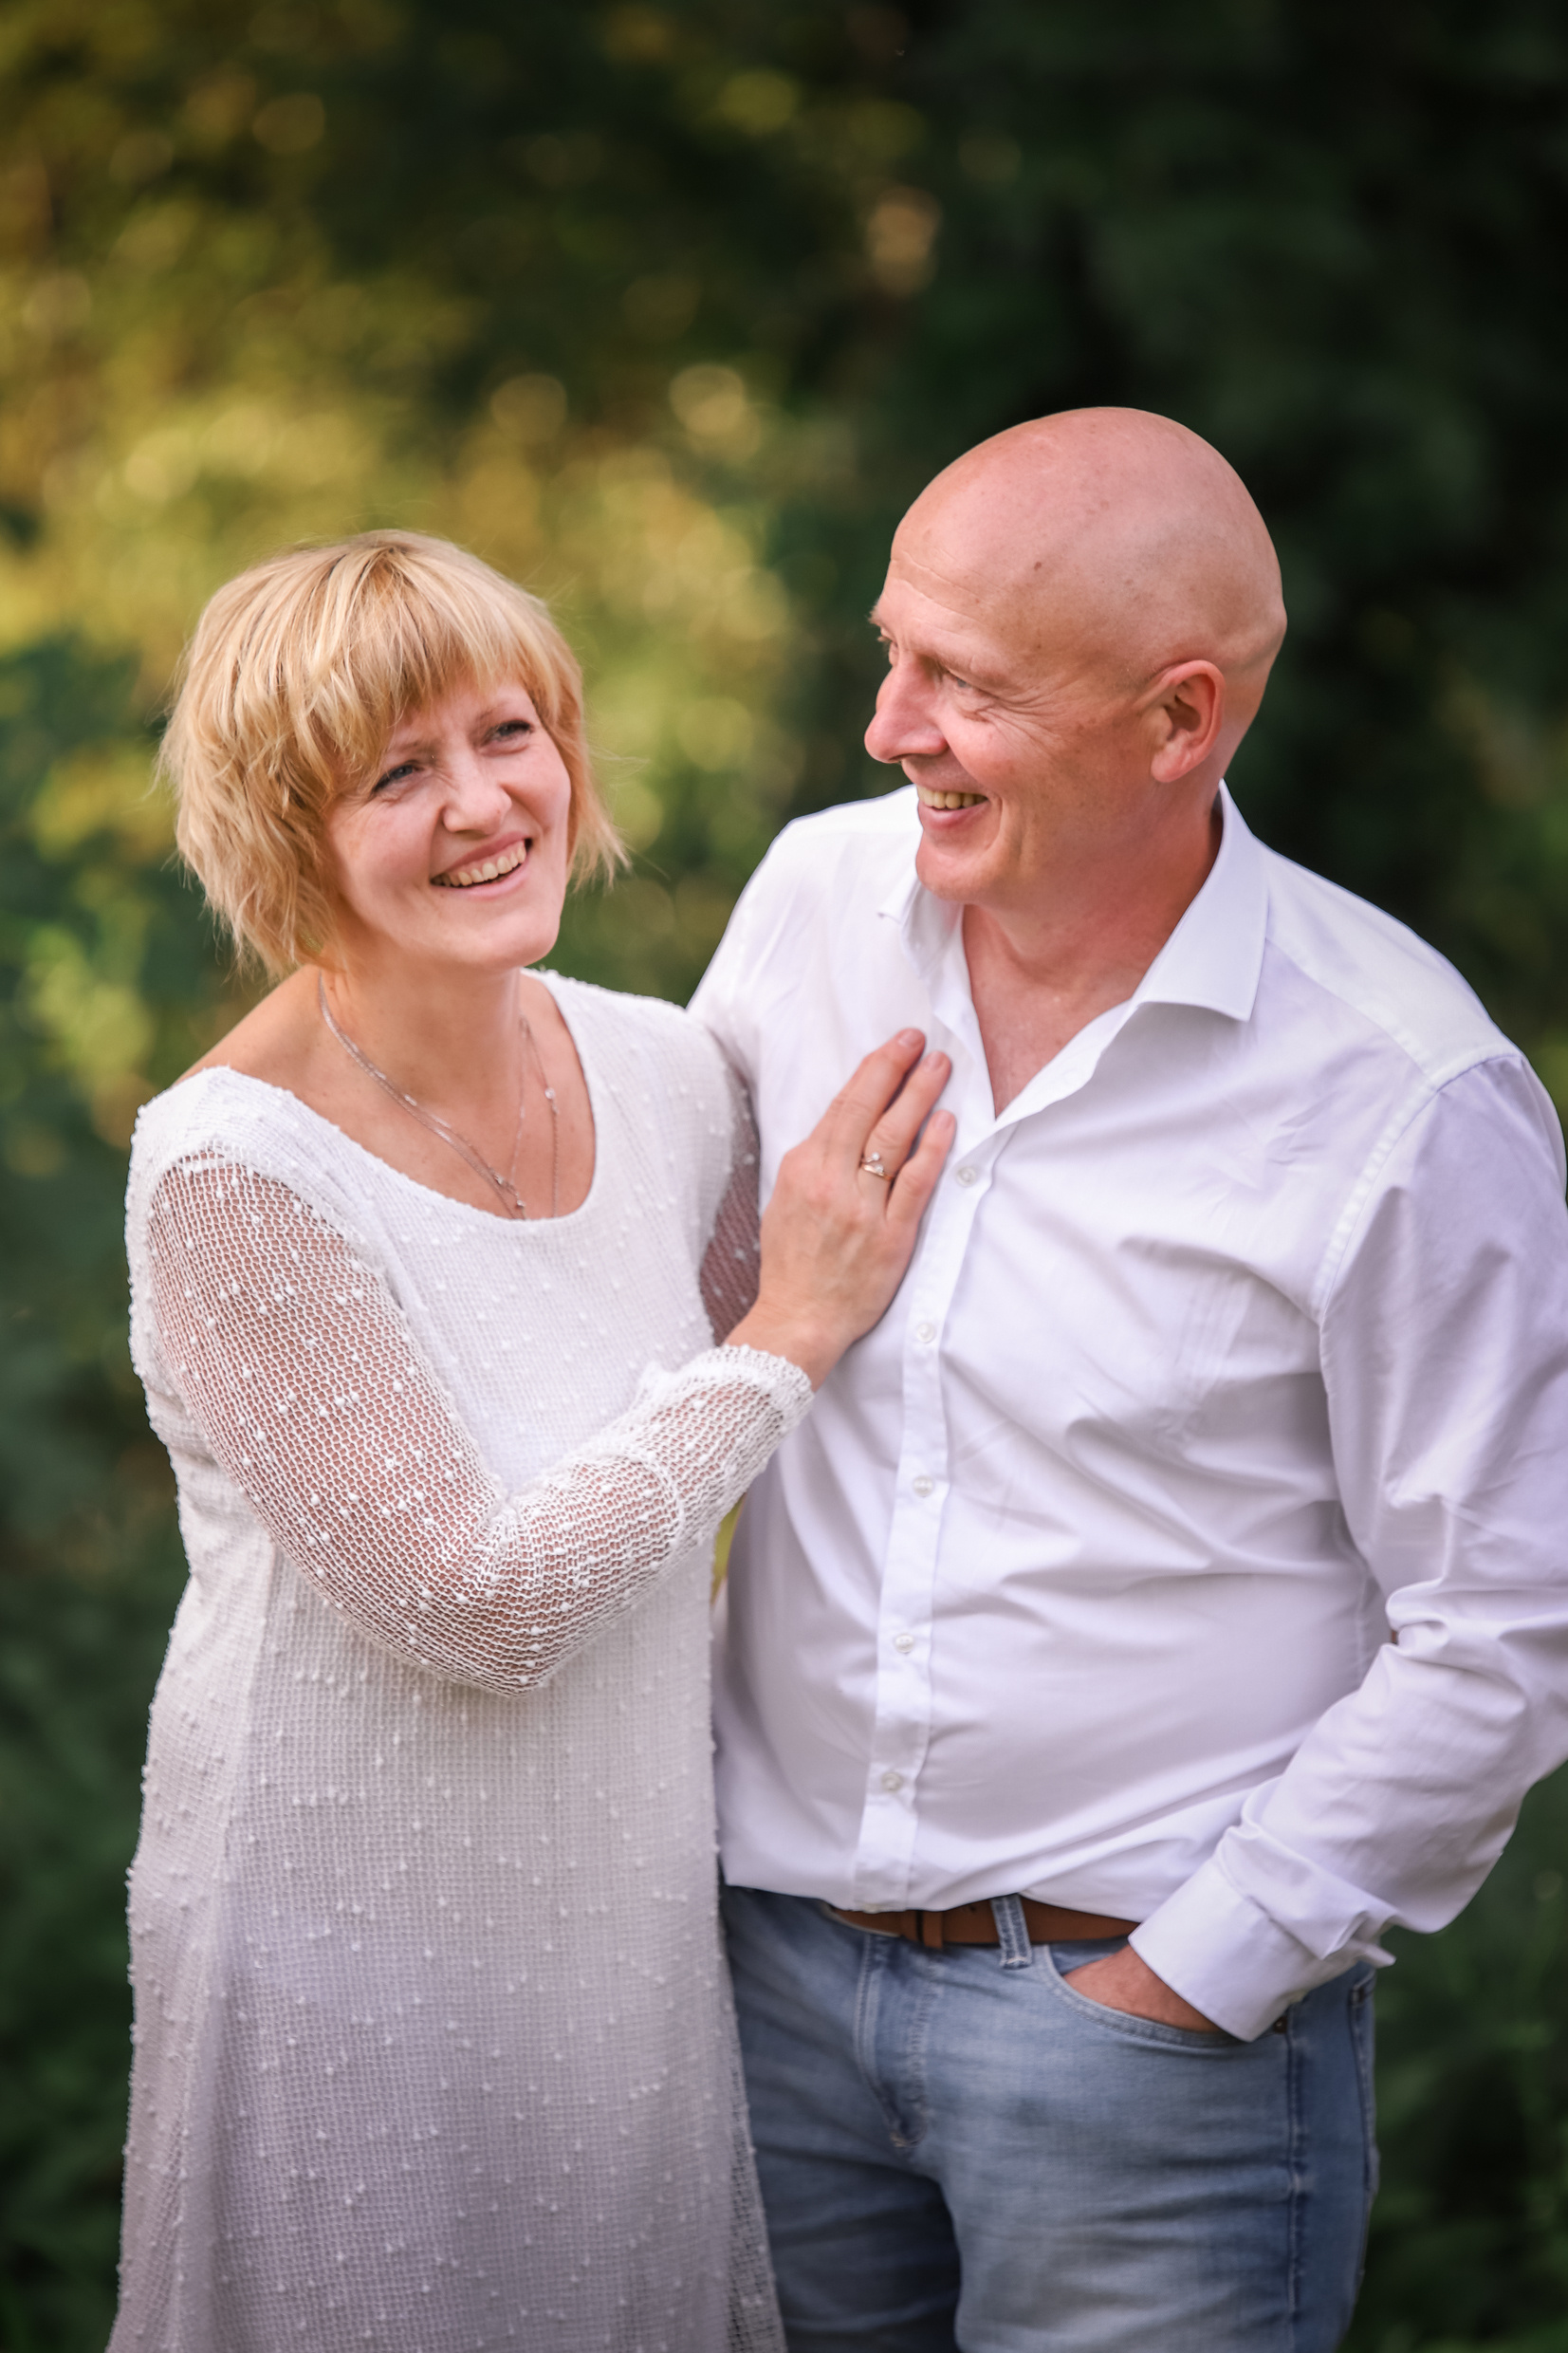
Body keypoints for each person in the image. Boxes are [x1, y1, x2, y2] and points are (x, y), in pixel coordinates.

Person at [692, 407, 1568, 2352]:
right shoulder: (812, 905)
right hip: (762, 2003)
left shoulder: (1403, 1092)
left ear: (1176, 723)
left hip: (1139, 2059)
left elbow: (1503, 1621)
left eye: (961, 683)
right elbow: (666, 1314)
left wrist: (1194, 1976)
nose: (883, 724)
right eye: (889, 648)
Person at [112, 528, 954, 2353]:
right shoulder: (230, 1167)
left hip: (624, 1922)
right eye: (396, 772)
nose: (485, 802)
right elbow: (475, 1609)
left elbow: (803, 1414)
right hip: (347, 1939)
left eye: (509, 732)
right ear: (282, 831)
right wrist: (785, 1330)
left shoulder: (662, 1068)